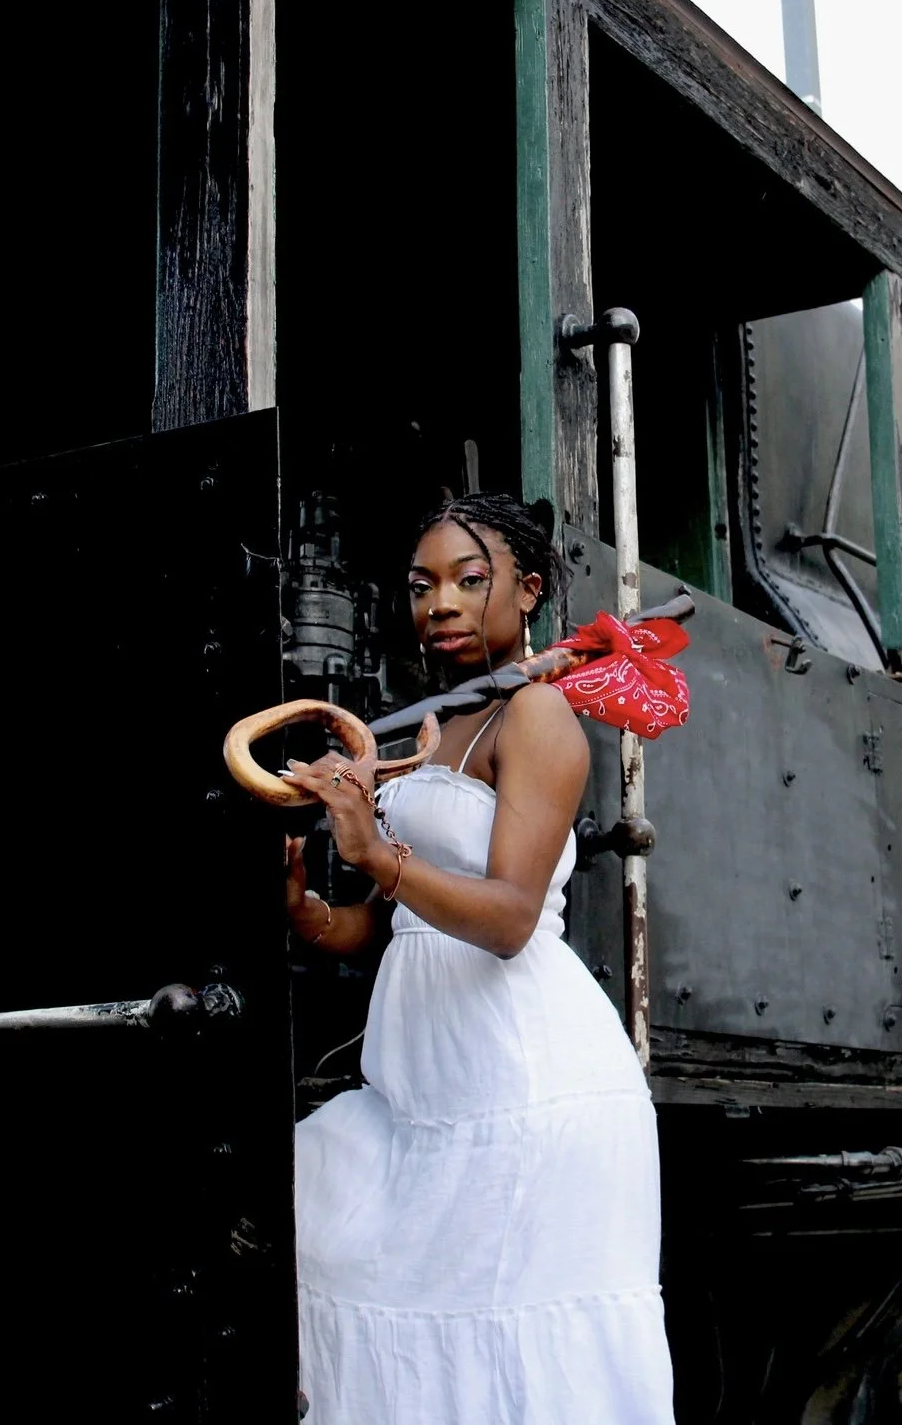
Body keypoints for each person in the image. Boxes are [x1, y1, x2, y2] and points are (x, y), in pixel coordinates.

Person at [281, 493, 676, 1424]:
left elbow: (503, 918)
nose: (441, 604)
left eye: (469, 580)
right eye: (422, 586)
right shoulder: (434, 727)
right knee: (315, 1208)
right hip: (426, 1089)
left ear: (528, 591)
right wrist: (305, 909)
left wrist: (377, 850)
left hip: (523, 1086)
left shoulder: (536, 716)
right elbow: (387, 930)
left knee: (516, 1340)